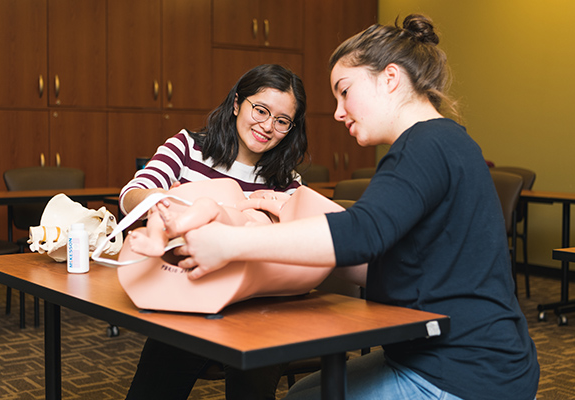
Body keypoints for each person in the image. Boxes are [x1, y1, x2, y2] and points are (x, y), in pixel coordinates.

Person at [170, 15, 540, 400]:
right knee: (305, 392)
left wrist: (229, 243)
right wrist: (297, 216)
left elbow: (361, 236)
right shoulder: (445, 141)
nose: (338, 111)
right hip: (474, 359)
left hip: (463, 372)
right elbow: (386, 263)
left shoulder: (424, 146)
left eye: (344, 91)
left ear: (390, 78)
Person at [119, 64, 307, 400]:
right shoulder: (188, 147)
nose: (267, 126)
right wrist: (173, 205)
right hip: (190, 295)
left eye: (282, 121)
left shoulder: (288, 181)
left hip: (257, 307)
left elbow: (292, 242)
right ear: (237, 103)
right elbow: (132, 195)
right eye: (260, 110)